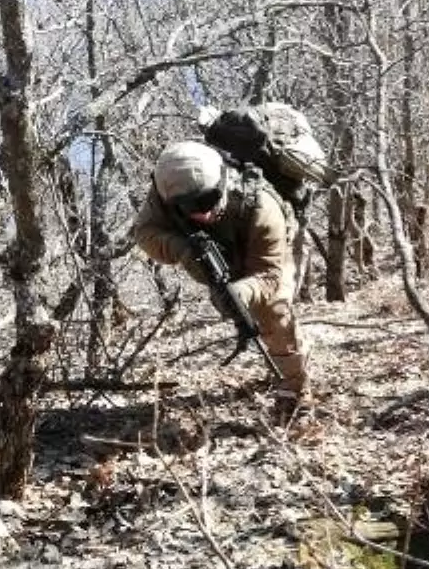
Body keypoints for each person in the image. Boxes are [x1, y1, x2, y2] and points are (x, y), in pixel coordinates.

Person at [133, 140, 311, 416]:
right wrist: (182, 249)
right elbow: (144, 233)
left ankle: (294, 390)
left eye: (208, 200)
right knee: (244, 307)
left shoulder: (262, 207)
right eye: (190, 207)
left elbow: (269, 274)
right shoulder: (164, 193)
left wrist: (243, 292)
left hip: (272, 248)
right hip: (219, 250)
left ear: (224, 182)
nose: (203, 213)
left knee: (273, 312)